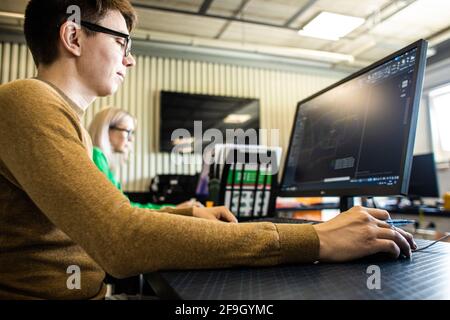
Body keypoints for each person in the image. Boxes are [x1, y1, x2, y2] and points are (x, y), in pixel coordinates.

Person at [0, 0, 416, 300]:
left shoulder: (61, 116)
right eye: (122, 42)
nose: (130, 60)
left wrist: (182, 214)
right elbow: (120, 240)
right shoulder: (27, 100)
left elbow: (102, 222)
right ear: (73, 35)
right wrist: (316, 238)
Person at [88, 106, 201, 210]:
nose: (131, 139)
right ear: (107, 129)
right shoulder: (96, 155)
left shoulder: (100, 159)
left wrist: (174, 209)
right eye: (128, 131)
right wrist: (174, 209)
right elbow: (122, 210)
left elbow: (126, 207)